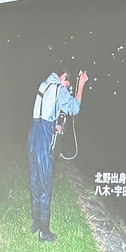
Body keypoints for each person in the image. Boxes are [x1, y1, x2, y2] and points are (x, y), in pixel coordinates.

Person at [28, 71, 87, 242]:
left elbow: (47, 111)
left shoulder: (44, 85)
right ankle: (44, 231)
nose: (67, 88)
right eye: (68, 85)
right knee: (45, 187)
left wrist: (56, 125)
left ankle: (35, 222)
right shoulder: (59, 89)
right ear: (64, 79)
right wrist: (81, 85)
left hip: (32, 136)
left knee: (34, 182)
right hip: (43, 140)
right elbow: (74, 108)